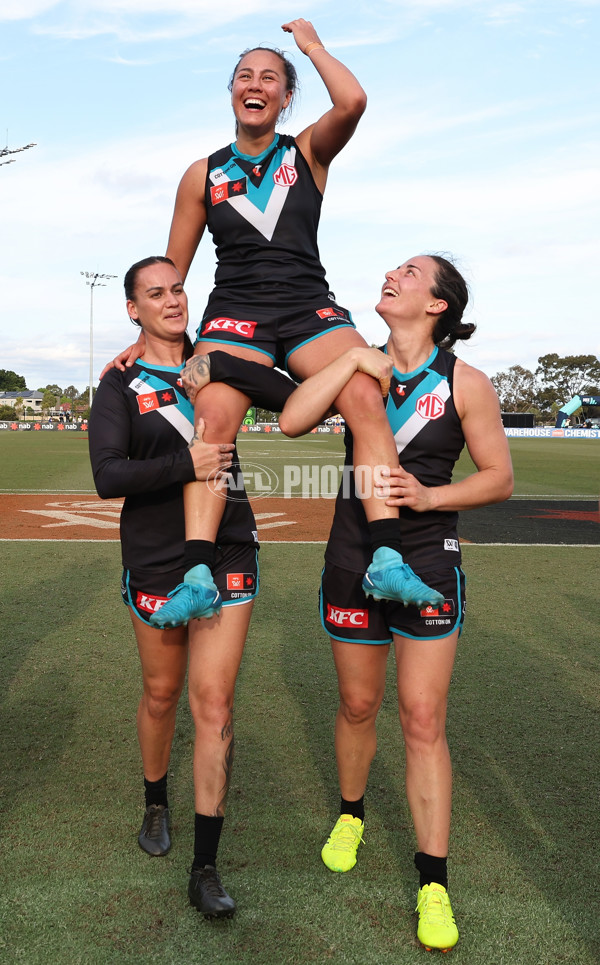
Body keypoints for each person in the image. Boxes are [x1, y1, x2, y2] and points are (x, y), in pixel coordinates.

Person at [184, 252, 513, 950]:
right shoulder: (355, 363)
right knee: (358, 704)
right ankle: (352, 811)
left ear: (438, 306)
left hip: (425, 557)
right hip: (349, 555)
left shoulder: (466, 382)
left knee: (422, 717)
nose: (392, 275)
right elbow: (297, 419)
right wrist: (352, 361)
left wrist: (431, 495)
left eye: (412, 273)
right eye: (394, 268)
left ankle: (432, 882)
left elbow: (499, 478)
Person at [106, 19, 444, 628]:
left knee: (366, 394)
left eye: (269, 77)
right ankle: (197, 572)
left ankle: (387, 556)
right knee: (210, 415)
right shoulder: (201, 174)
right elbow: (171, 268)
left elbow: (354, 101)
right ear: (231, 92)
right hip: (235, 310)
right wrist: (145, 339)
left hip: (307, 305)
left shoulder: (307, 150)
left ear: (287, 97)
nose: (255, 84)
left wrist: (310, 48)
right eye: (244, 75)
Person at [88, 256, 258, 919]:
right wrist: (181, 462)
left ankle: (206, 866)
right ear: (133, 309)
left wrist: (231, 364)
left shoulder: (217, 358)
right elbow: (107, 476)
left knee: (212, 703)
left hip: (228, 547)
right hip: (156, 554)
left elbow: (279, 381)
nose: (172, 300)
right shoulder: (119, 385)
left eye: (178, 288)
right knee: (162, 693)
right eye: (155, 293)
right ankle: (156, 798)